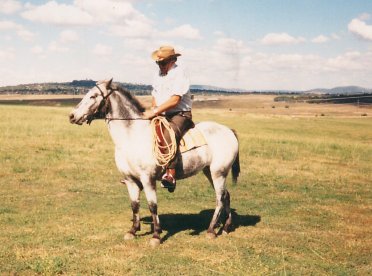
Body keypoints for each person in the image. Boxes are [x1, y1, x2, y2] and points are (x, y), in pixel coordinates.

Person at [143, 45, 194, 192]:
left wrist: (155, 112)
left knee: (168, 134)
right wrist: (154, 109)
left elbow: (175, 100)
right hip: (162, 113)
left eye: (163, 63)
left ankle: (171, 174)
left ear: (172, 60)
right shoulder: (158, 75)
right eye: (158, 63)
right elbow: (155, 95)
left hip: (180, 114)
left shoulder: (180, 74)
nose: (160, 66)